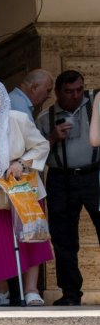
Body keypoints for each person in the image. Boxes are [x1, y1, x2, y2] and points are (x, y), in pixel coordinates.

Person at [0, 76, 52, 306]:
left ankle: (32, 289)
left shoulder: (16, 120)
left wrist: (21, 164)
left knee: (28, 237)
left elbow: (42, 145)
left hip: (18, 187)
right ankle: (1, 290)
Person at [37, 70, 98, 306]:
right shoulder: (45, 117)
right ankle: (71, 293)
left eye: (79, 90)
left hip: (94, 174)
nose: (75, 95)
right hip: (61, 179)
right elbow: (35, 154)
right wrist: (52, 137)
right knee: (64, 239)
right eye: (69, 91)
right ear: (58, 92)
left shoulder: (94, 105)